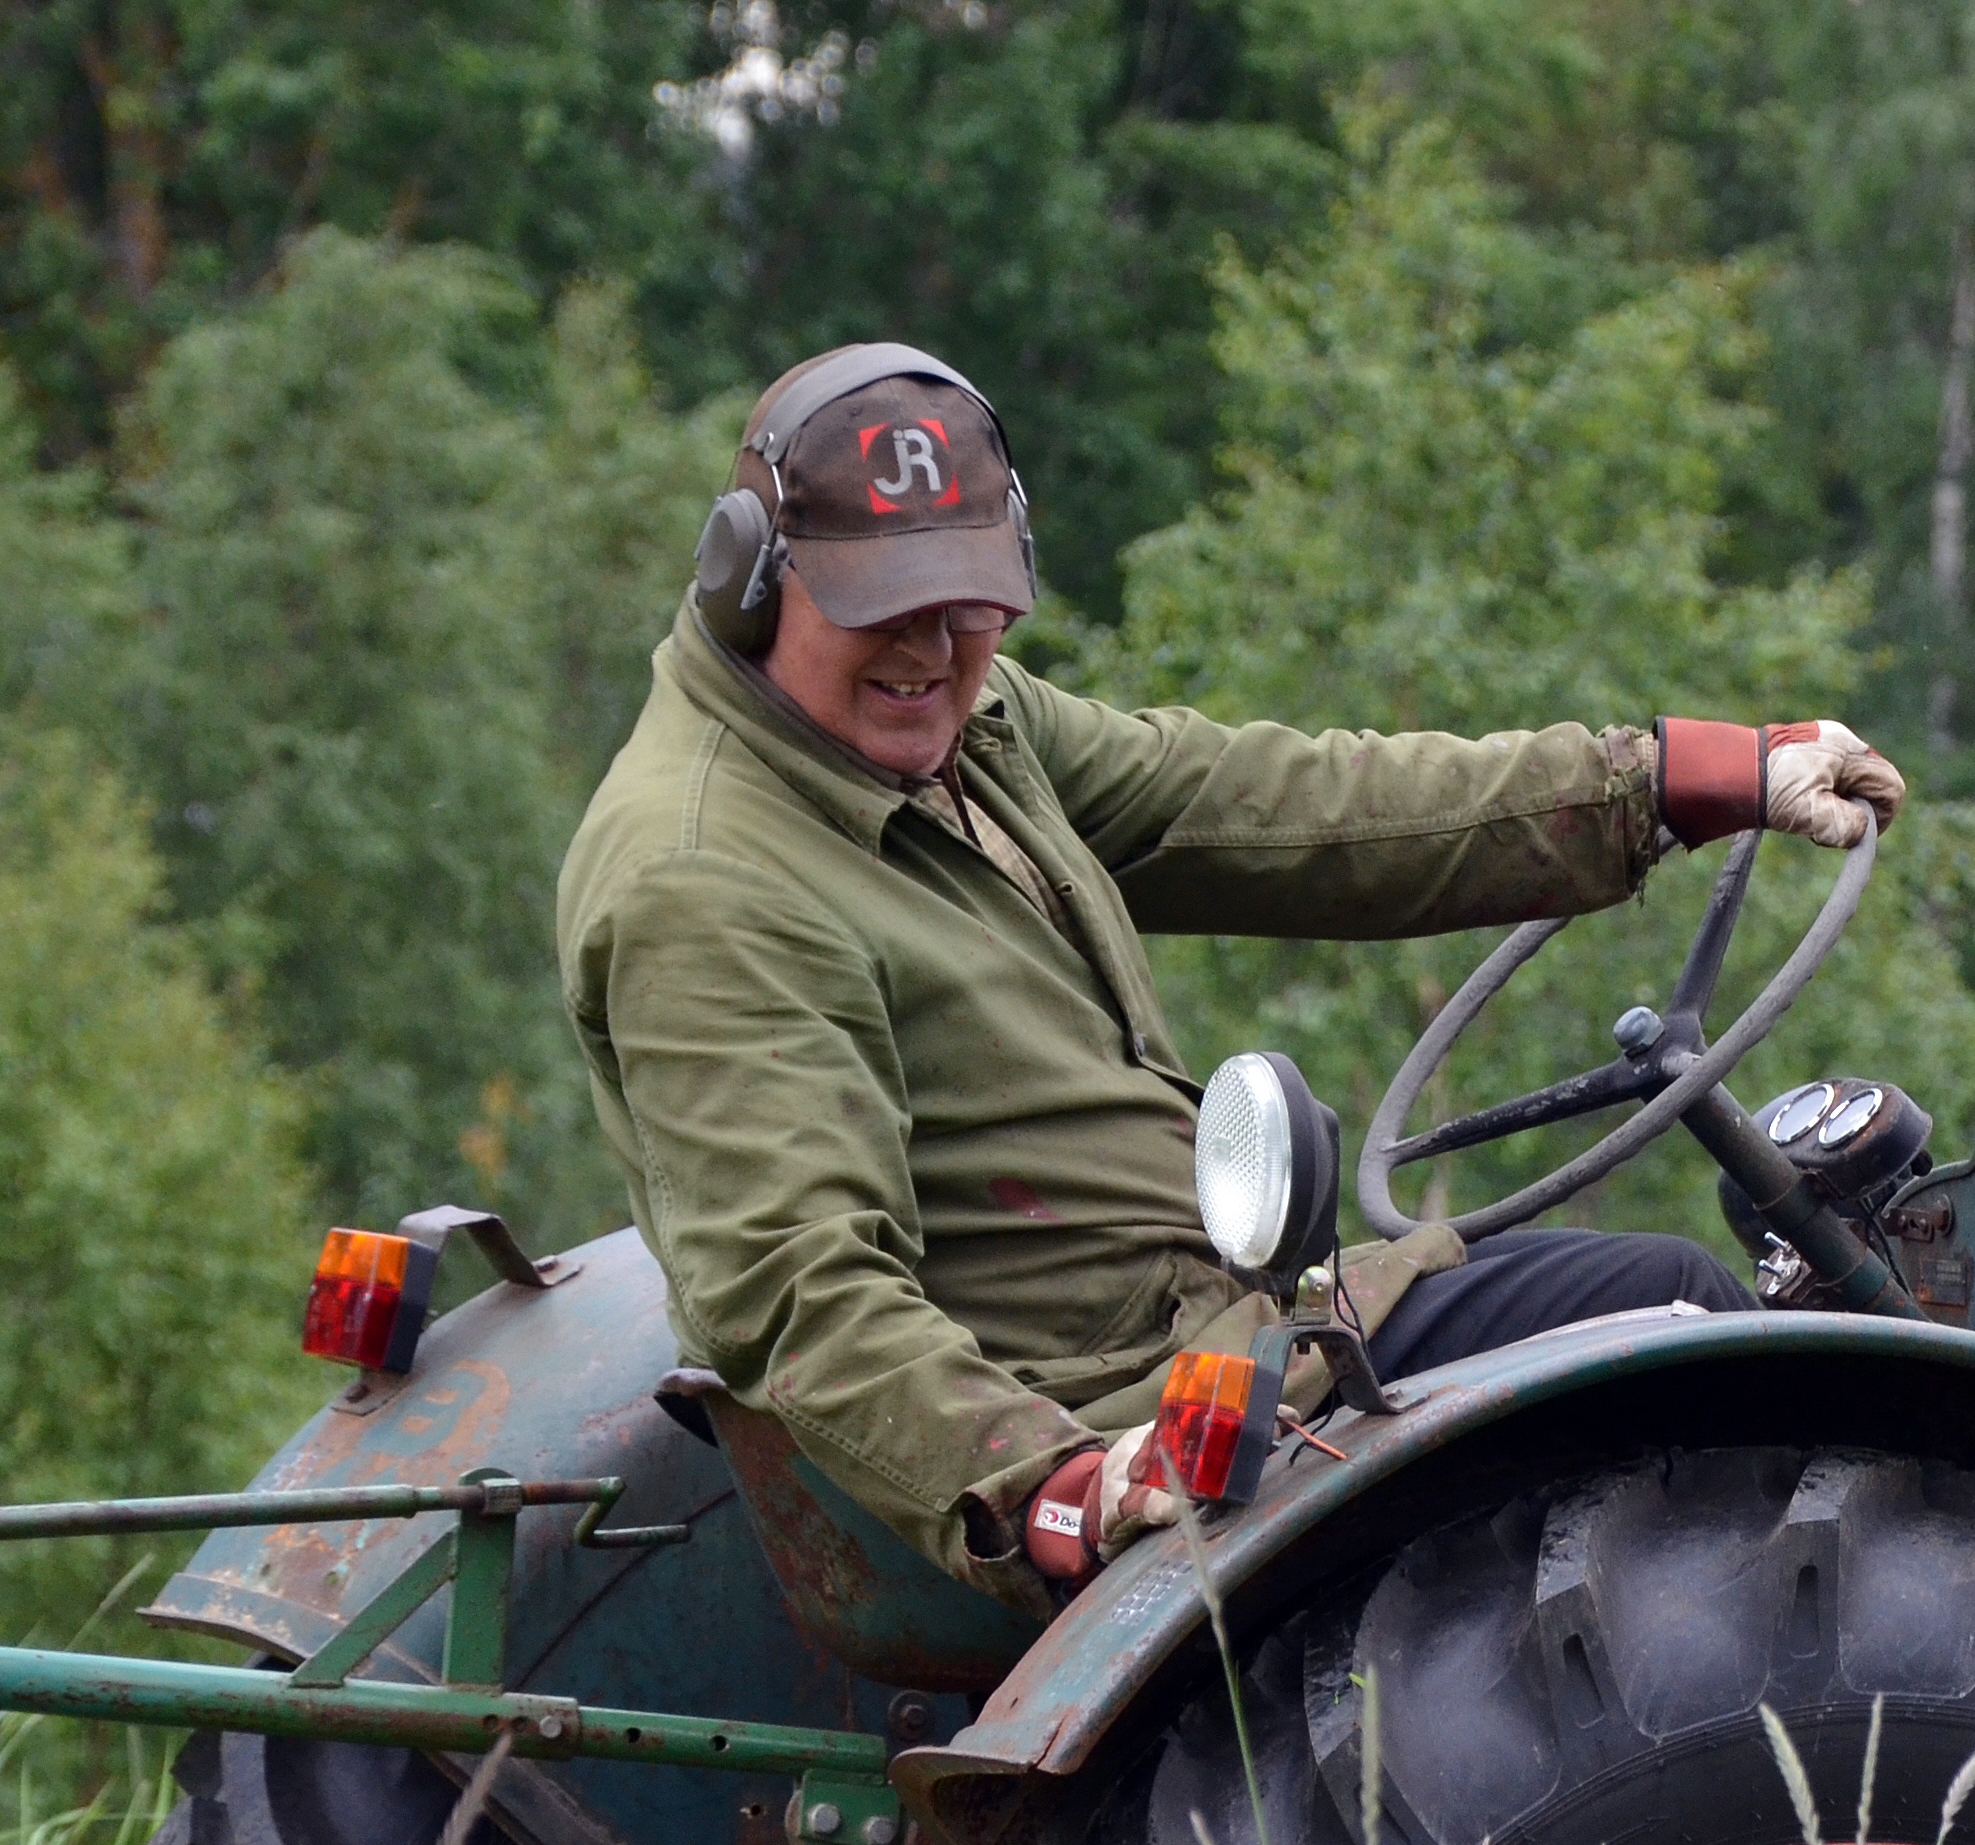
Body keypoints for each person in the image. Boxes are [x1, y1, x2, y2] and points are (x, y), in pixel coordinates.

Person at [557, 343, 1904, 1599]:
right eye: (878, 609)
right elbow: (804, 1296)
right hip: (1111, 1420)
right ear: (752, 579)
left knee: (1663, 1316)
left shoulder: (964, 726)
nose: (930, 651)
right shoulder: (705, 880)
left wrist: (1668, 778)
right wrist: (1058, 1487)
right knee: (1682, 1337)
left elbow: (1273, 806)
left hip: (1230, 1330)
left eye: (966, 605)